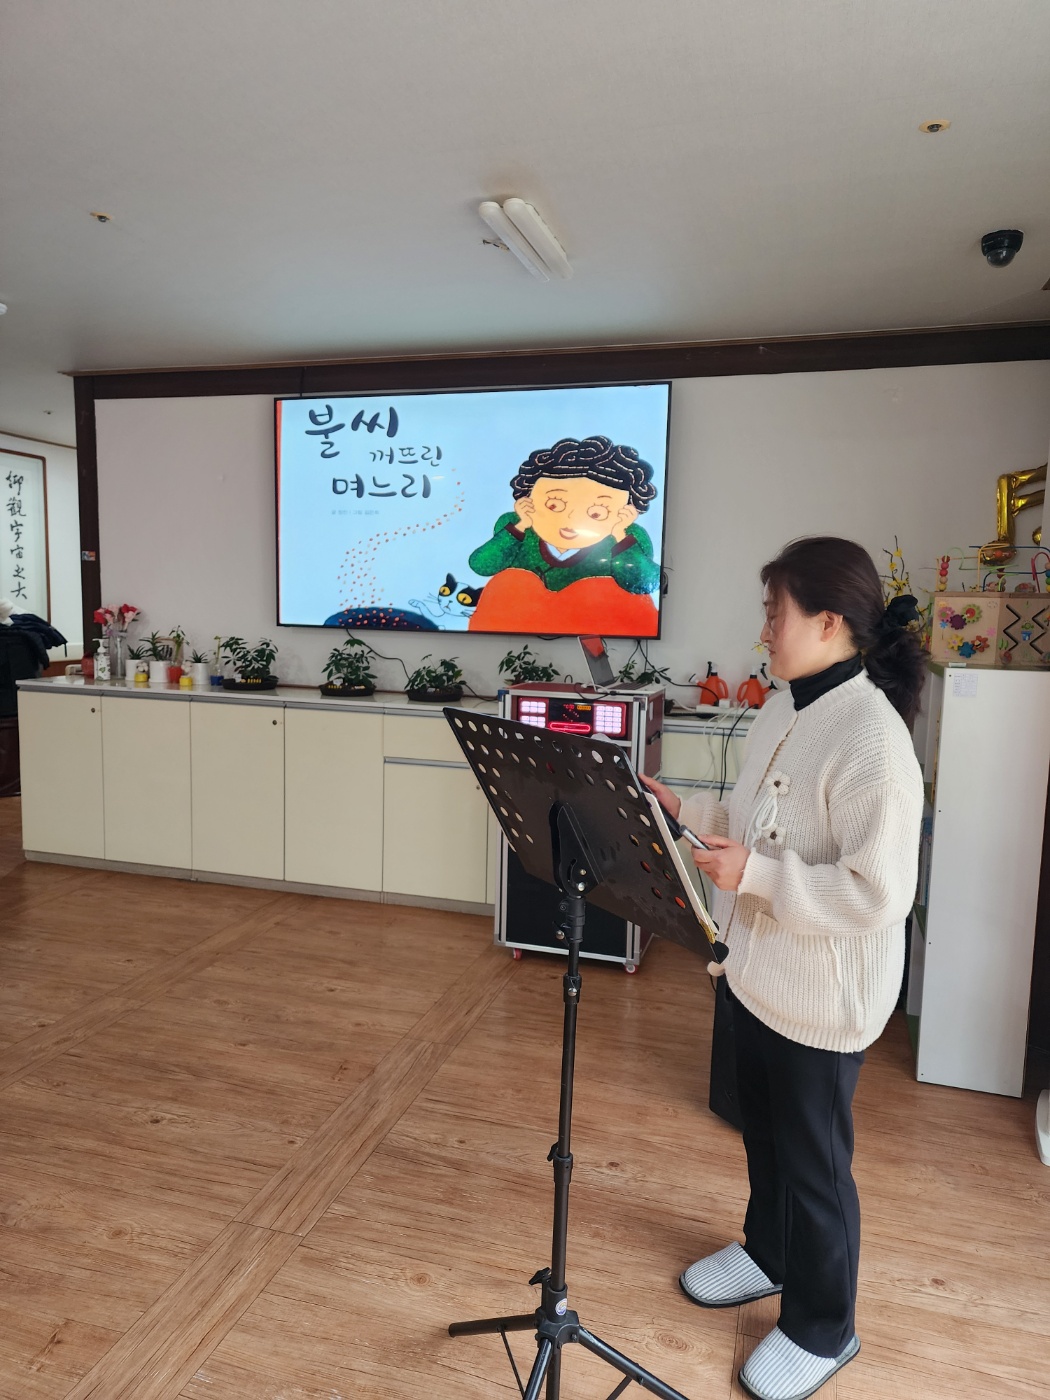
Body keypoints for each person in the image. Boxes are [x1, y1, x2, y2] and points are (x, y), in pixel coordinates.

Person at [642, 537, 925, 1400]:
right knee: (762, 1135)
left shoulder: (873, 738)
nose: (764, 629)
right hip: (753, 972)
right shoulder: (784, 705)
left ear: (829, 622)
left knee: (814, 1167)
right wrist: (684, 809)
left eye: (776, 614)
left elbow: (878, 894)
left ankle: (824, 1327)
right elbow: (753, 823)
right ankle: (768, 1251)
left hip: (821, 1000)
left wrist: (759, 878)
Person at [466, 435, 661, 635]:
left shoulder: (627, 537)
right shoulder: (516, 528)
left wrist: (620, 534)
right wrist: (521, 525)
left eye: (597, 513)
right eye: (554, 505)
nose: (570, 519)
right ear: (527, 499)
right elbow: (481, 564)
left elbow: (645, 583)